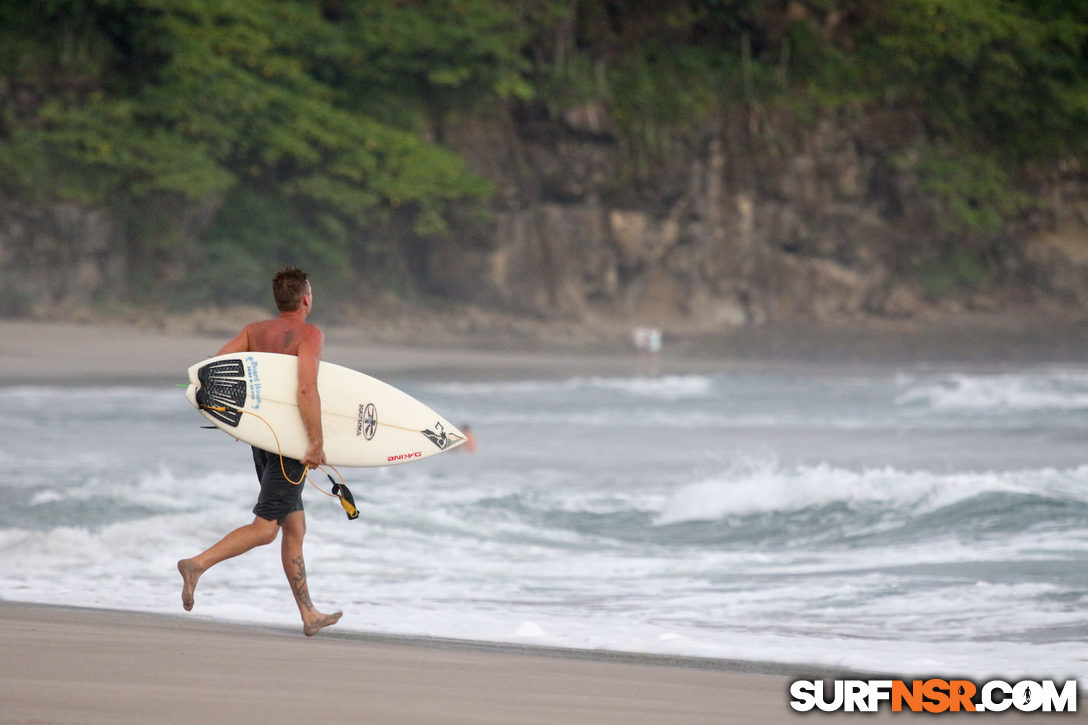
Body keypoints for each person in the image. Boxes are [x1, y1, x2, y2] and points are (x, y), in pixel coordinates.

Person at [177, 267, 342, 637]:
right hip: (289, 445)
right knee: (266, 528)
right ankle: (197, 564)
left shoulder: (254, 331)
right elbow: (306, 391)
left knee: (294, 525)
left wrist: (236, 421)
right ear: (305, 299)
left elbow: (215, 370)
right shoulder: (309, 335)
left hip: (264, 440)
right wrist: (316, 443)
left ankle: (309, 613)